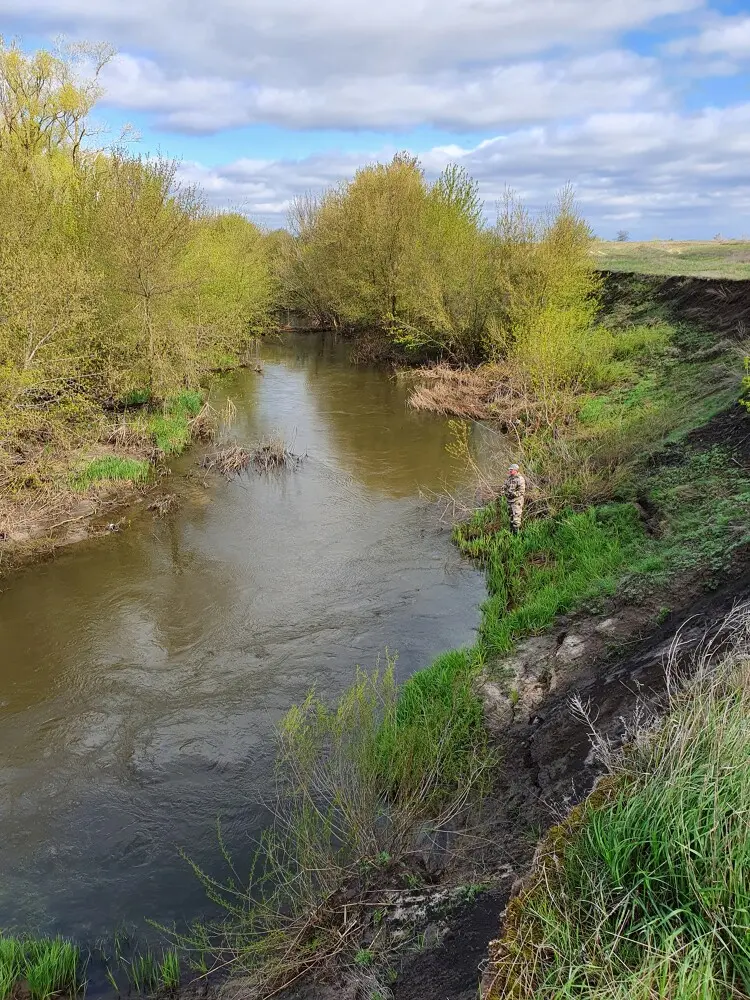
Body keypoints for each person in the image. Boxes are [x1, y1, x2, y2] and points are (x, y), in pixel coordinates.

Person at [502, 463, 526, 535]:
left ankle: (516, 536)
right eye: (509, 470)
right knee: (511, 517)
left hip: (516, 501)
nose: (509, 471)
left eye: (511, 470)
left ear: (515, 470)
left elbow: (521, 491)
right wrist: (503, 491)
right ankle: (511, 533)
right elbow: (504, 486)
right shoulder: (509, 478)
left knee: (516, 519)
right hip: (509, 501)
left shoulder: (520, 479)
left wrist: (512, 494)